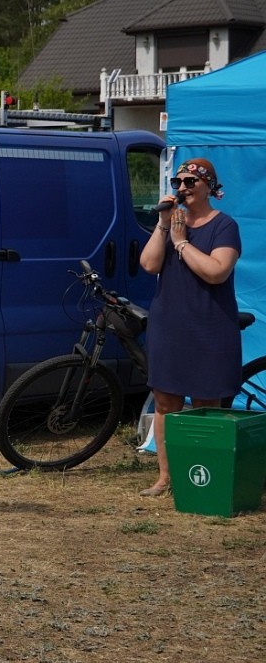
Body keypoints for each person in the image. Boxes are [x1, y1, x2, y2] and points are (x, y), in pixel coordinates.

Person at [138, 157, 242, 498]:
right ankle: (166, 478)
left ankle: (204, 477)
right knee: (166, 402)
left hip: (209, 325)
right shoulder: (172, 224)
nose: (182, 188)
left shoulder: (224, 226)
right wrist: (164, 225)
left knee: (205, 404)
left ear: (208, 186)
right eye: (177, 183)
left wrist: (183, 243)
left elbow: (216, 272)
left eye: (190, 182)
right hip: (170, 324)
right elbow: (149, 264)